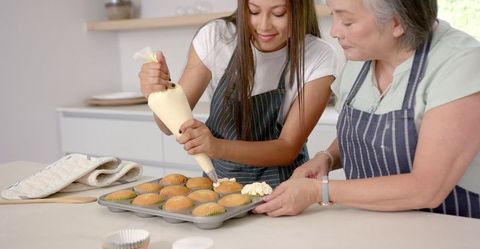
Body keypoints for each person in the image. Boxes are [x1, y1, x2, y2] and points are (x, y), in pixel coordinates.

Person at [255, 0, 480, 218]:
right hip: (375, 225)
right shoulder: (361, 56)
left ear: (397, 23)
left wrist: (317, 190)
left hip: (453, 229)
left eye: (348, 22)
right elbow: (365, 135)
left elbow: (426, 188)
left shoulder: (461, 64)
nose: (334, 31)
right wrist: (327, 158)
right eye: (333, 15)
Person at [138, 0, 338, 187]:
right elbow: (168, 126)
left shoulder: (317, 55)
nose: (264, 25)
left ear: (299, 10)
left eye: (279, 13)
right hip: (218, 188)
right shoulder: (217, 37)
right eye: (253, 11)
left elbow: (287, 149)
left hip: (284, 191)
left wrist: (216, 147)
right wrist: (158, 94)